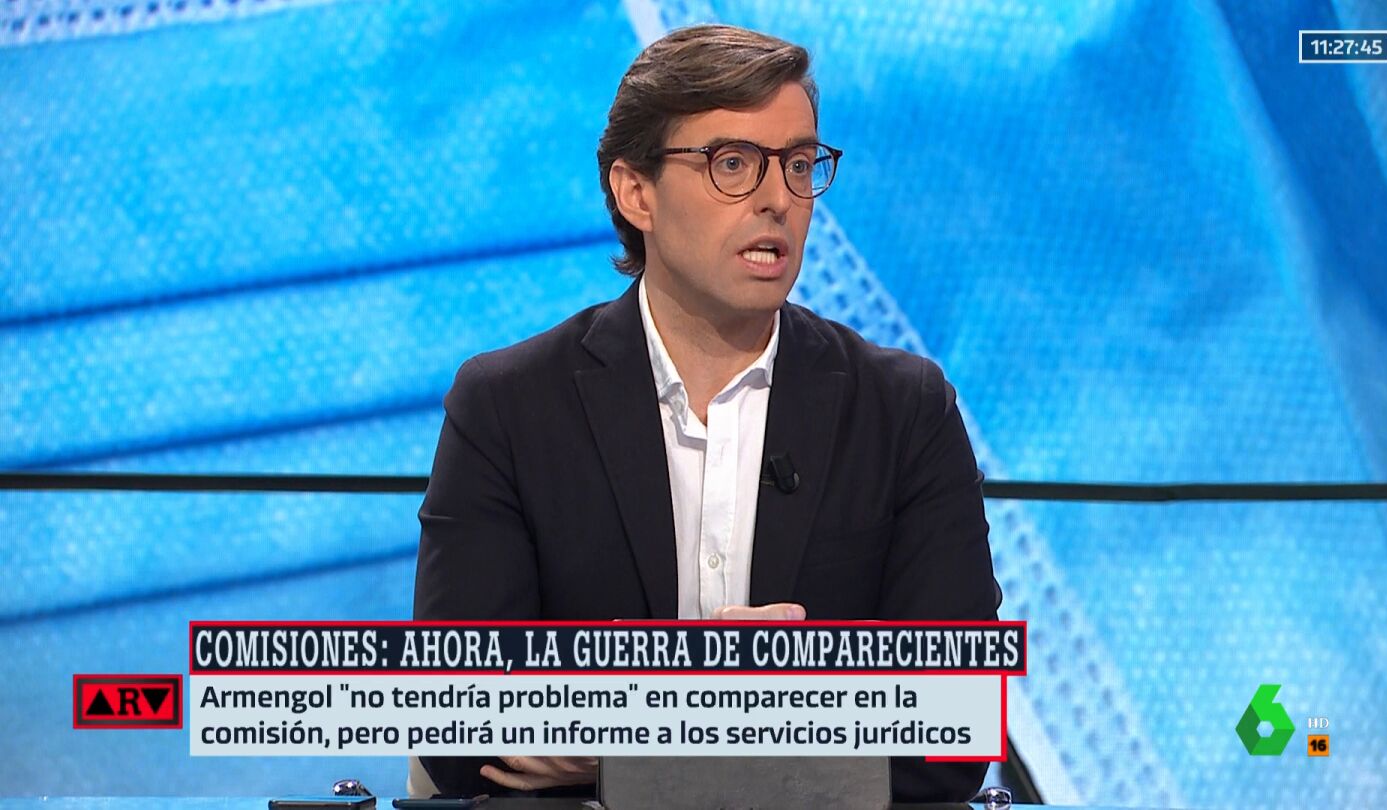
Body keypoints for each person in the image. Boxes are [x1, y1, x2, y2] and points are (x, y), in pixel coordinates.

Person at [413, 23, 999, 803]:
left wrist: (643, 726)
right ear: (637, 192)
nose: (777, 199)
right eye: (732, 164)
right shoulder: (510, 407)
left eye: (798, 165)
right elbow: (460, 725)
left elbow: (952, 730)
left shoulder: (903, 412)